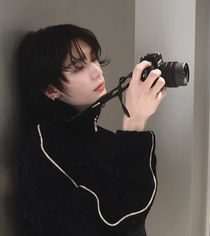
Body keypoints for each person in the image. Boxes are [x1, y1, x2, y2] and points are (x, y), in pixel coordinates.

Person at [15, 24, 167, 236]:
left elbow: (136, 211)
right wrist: (134, 126)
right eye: (78, 67)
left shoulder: (101, 138)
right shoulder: (46, 148)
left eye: (94, 59)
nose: (96, 72)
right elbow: (118, 221)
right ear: (51, 89)